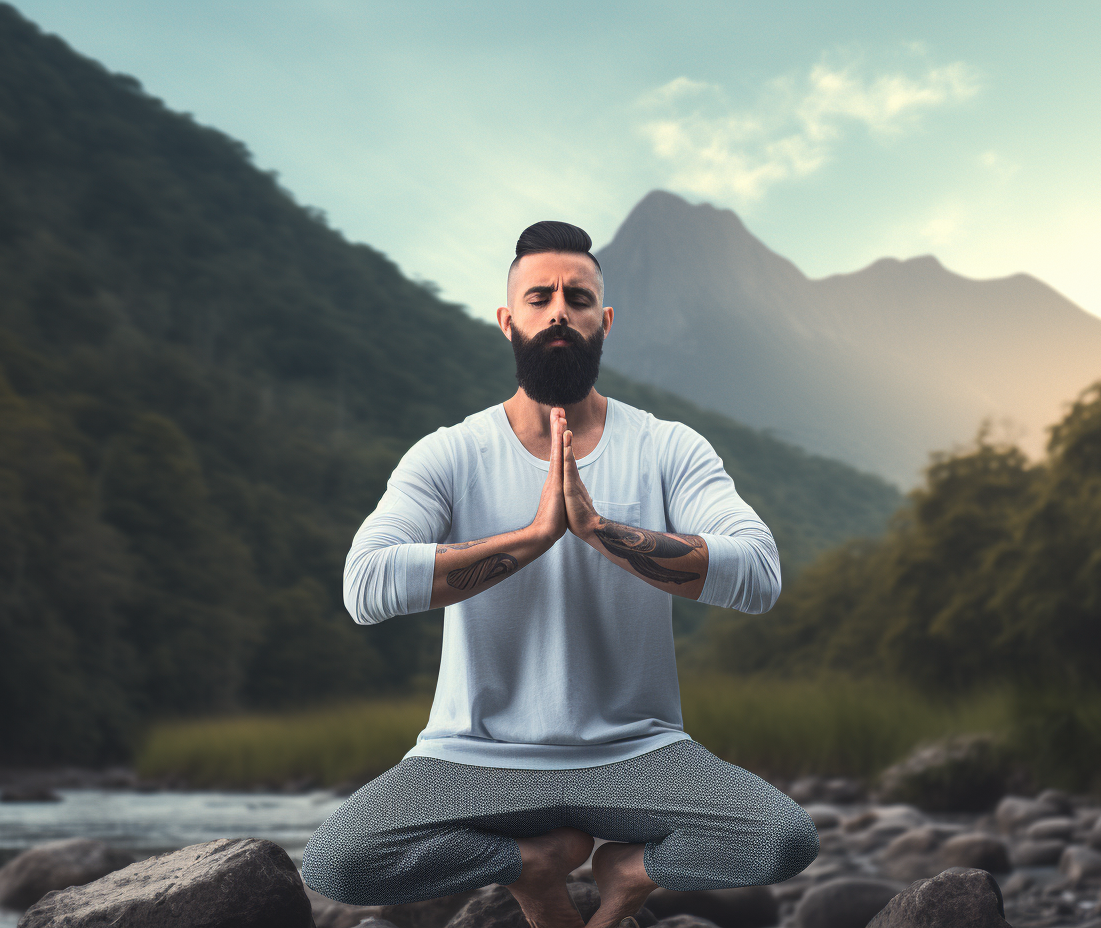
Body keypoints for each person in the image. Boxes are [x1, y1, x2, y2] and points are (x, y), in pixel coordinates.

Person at [302, 221, 818, 928]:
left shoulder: (668, 447)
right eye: (539, 296)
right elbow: (364, 586)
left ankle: (628, 870)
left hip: (639, 751)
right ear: (507, 319)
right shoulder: (449, 454)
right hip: (475, 756)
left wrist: (604, 534)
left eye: (577, 298)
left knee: (783, 838)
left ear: (602, 321)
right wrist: (534, 537)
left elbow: (758, 572)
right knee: (337, 863)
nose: (558, 311)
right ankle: (534, 864)